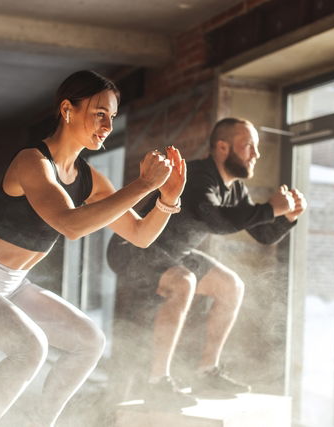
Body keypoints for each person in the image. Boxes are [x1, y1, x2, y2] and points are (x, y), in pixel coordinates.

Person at [0, 70, 187, 427]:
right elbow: (70, 224)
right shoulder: (32, 162)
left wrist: (166, 200)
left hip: (14, 284)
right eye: (99, 114)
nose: (108, 125)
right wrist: (143, 184)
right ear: (67, 110)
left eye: (111, 117)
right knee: (30, 349)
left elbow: (140, 234)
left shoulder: (89, 179)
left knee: (89, 341)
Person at [107, 117, 307, 403]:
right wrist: (269, 208)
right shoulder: (198, 175)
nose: (256, 154)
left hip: (173, 253)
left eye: (256, 147)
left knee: (231, 285)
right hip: (132, 248)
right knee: (184, 281)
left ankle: (205, 373)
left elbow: (263, 234)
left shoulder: (235, 189)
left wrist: (286, 217)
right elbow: (216, 220)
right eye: (248, 145)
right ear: (223, 148)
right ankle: (157, 382)